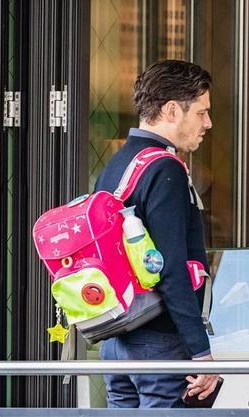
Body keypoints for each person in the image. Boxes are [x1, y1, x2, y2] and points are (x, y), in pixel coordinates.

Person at [95, 60, 218, 407]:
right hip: (158, 342)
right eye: (202, 112)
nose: (208, 123)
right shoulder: (165, 168)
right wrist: (201, 351)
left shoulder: (117, 164)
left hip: (116, 339)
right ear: (172, 110)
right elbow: (170, 267)